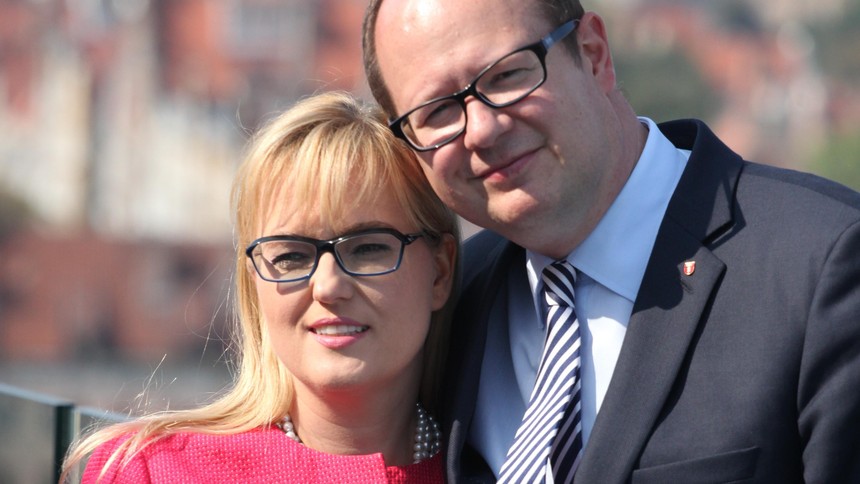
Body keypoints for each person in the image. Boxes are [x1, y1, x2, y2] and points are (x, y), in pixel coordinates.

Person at [362, 0, 860, 482]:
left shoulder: (821, 264)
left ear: (594, 54)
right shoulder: (445, 305)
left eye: (506, 75)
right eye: (437, 112)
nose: (482, 130)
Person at [61, 91, 459, 483]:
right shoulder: (154, 471)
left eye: (368, 248)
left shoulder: (492, 466)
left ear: (440, 272)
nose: (328, 286)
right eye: (291, 255)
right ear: (254, 283)